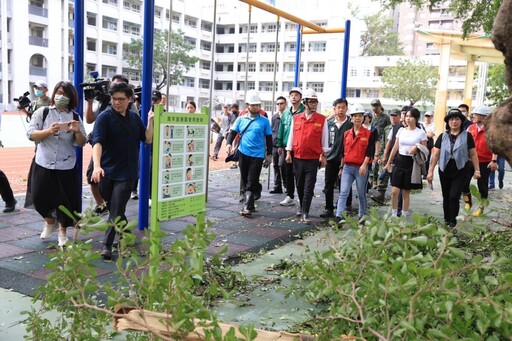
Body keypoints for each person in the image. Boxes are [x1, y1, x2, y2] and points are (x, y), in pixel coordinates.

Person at [91, 82, 154, 260]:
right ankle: (125, 232)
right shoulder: (104, 117)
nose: (116, 102)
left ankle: (107, 245)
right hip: (107, 171)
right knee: (115, 209)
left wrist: (150, 121)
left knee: (116, 207)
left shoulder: (134, 118)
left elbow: (147, 139)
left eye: (120, 99)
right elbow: (97, 142)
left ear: (130, 100)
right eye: (114, 99)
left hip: (127, 174)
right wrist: (97, 166)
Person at [26, 81, 87, 247]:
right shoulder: (43, 112)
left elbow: (82, 142)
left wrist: (77, 131)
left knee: (63, 201)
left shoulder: (75, 117)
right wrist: (48, 131)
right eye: (59, 92)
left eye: (66, 94)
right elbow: (31, 134)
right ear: (54, 94)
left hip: (65, 165)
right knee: (38, 197)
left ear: (71, 98)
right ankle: (49, 222)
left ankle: (62, 232)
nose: (61, 97)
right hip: (43, 162)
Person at [85, 74, 136, 212]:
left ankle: (114, 212)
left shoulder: (130, 107)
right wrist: (89, 101)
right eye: (113, 85)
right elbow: (89, 119)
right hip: (100, 145)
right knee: (92, 176)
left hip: (118, 151)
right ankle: (102, 205)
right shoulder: (104, 101)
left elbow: (136, 128)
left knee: (118, 186)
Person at [427, 109, 481, 227]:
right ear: (448, 122)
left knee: (454, 196)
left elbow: (473, 154)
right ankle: (447, 220)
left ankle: (453, 222)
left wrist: (477, 170)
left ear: (461, 121)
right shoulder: (443, 136)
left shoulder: (467, 136)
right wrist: (430, 171)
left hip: (461, 169)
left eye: (457, 119)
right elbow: (436, 154)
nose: (454, 121)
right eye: (451, 119)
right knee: (446, 196)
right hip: (445, 169)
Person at [285, 88, 329, 224]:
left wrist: (324, 155)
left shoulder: (322, 120)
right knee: (299, 185)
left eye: (315, 102)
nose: (314, 104)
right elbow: (291, 136)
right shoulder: (296, 118)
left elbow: (325, 139)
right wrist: (288, 152)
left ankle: (305, 213)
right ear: (305, 103)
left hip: (313, 159)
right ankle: (302, 206)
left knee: (309, 186)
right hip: (298, 158)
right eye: (311, 102)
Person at [226, 91, 272, 216]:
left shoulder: (264, 121)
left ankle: (246, 207)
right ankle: (251, 203)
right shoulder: (241, 119)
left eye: (258, 105)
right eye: (253, 105)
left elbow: (268, 138)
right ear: (247, 106)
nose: (256, 107)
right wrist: (229, 144)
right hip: (243, 153)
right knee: (246, 179)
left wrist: (269, 155)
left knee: (251, 180)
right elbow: (233, 133)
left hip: (257, 155)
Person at [335, 104, 377, 222]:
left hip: (361, 168)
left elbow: (370, 151)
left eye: (360, 116)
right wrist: (341, 167)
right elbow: (343, 151)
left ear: (363, 118)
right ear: (351, 118)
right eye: (355, 116)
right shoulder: (346, 134)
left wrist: (364, 165)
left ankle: (361, 216)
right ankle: (339, 216)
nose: (357, 118)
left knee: (361, 193)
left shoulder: (369, 134)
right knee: (343, 192)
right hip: (348, 167)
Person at [384, 107, 427, 218]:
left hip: (411, 163)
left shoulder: (421, 133)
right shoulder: (401, 130)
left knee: (405, 193)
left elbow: (425, 150)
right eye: (407, 116)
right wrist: (388, 162)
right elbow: (395, 147)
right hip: (399, 161)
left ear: (416, 118)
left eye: (411, 116)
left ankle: (404, 215)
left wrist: (417, 148)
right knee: (394, 191)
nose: (408, 119)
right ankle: (394, 214)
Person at [320, 98, 353, 218]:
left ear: (346, 109)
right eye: (338, 107)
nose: (340, 110)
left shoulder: (350, 125)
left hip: (346, 159)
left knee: (344, 185)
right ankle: (329, 208)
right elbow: (323, 141)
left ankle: (346, 207)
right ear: (334, 109)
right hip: (331, 159)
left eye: (343, 107)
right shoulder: (329, 124)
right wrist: (322, 155)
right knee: (328, 184)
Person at [465, 105, 498, 216]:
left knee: (482, 186)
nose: (473, 116)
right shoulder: (470, 128)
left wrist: (494, 161)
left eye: (476, 115)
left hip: (485, 162)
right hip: (469, 161)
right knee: (464, 184)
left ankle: (481, 207)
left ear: (484, 117)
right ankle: (467, 202)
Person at [276, 87, 305, 207]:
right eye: (292, 95)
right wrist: (279, 144)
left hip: (299, 147)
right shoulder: (286, 113)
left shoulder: (304, 111)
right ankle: (290, 195)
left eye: (296, 95)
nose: (294, 97)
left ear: (300, 98)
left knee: (299, 172)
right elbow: (281, 129)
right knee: (285, 168)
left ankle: (303, 196)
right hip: (286, 147)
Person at [372, 108, 401, 205]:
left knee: (395, 179)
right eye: (392, 115)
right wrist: (381, 156)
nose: (393, 117)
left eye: (395, 115)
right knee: (383, 176)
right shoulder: (387, 128)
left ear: (400, 117)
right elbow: (384, 142)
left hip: (397, 157)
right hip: (386, 155)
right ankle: (381, 196)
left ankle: (397, 200)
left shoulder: (401, 128)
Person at [369, 99, 391, 190]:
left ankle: (379, 182)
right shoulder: (371, 117)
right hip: (372, 142)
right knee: (372, 163)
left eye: (376, 106)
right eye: (373, 106)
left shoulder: (385, 117)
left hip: (382, 142)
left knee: (380, 162)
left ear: (380, 106)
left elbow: (388, 130)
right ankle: (373, 180)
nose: (375, 108)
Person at [269, 96, 287, 194]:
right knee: (275, 165)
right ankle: (277, 186)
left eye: (282, 103)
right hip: (274, 144)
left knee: (282, 165)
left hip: (284, 145)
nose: (279, 105)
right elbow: (272, 130)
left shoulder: (288, 116)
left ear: (285, 104)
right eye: (278, 104)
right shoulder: (274, 117)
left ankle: (286, 186)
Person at [422, 111, 436, 177]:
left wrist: (422, 134)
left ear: (431, 117)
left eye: (428, 116)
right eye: (426, 116)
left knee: (427, 158)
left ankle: (425, 173)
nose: (427, 117)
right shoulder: (421, 124)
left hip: (428, 143)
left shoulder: (433, 125)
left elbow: (430, 135)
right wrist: (426, 134)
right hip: (421, 142)